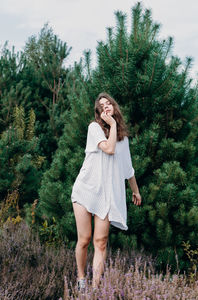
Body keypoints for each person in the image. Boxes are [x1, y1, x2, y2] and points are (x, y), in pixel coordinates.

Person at [71, 92, 142, 292]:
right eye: (102, 106)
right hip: (86, 190)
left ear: (114, 107)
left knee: (100, 242)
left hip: (107, 195)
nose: (106, 107)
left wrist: (135, 191)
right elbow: (109, 149)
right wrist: (112, 126)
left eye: (109, 103)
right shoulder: (94, 129)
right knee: (84, 240)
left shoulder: (123, 139)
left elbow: (128, 169)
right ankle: (81, 279)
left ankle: (93, 289)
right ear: (99, 113)